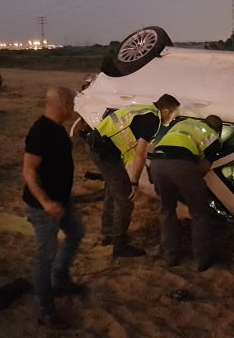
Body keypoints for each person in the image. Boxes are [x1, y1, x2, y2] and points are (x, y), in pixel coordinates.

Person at [23, 86, 85, 330]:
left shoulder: (57, 129)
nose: (74, 108)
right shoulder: (40, 132)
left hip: (62, 201)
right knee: (43, 258)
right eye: (72, 103)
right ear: (64, 104)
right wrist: (45, 202)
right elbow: (28, 171)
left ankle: (59, 280)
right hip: (43, 207)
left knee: (77, 234)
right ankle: (45, 310)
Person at [89, 94, 180, 257]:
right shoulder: (152, 120)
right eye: (173, 114)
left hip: (98, 146)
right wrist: (134, 183)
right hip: (106, 153)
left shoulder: (141, 109)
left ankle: (108, 234)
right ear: (165, 110)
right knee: (126, 200)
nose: (173, 118)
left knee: (112, 192)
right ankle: (119, 244)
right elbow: (140, 155)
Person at [149, 115, 223, 271]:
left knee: (167, 210)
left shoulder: (184, 123)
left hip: (156, 163)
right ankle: (202, 259)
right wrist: (193, 188)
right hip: (182, 165)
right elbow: (203, 169)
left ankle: (170, 255)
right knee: (200, 214)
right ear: (219, 129)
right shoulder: (213, 137)